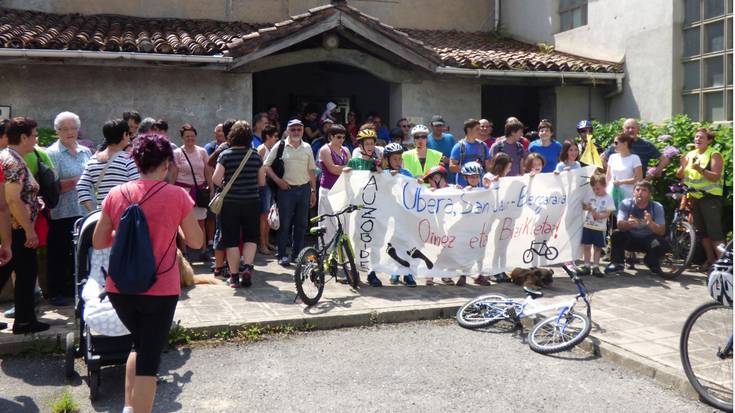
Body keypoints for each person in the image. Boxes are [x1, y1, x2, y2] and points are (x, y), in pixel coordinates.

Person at [92, 134, 202, 413]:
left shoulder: (117, 194)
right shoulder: (177, 195)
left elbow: (98, 241)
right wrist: (169, 226)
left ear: (136, 161)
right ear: (166, 163)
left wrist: (129, 234)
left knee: (138, 344)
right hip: (160, 289)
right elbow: (197, 241)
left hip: (120, 288)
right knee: (149, 363)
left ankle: (129, 407)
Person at [0, 117, 48, 334]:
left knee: (13, 271)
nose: (36, 139)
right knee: (27, 273)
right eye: (34, 134)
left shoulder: (9, 157)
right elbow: (12, 200)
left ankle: (25, 319)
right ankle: (25, 321)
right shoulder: (13, 162)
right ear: (23, 137)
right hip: (18, 229)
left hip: (13, 228)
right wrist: (29, 230)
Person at [45, 111, 92, 306]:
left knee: (80, 253)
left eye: (73, 128)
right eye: (65, 129)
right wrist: (78, 180)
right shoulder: (51, 153)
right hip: (62, 211)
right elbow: (52, 186)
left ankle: (78, 289)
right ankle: (57, 292)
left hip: (83, 210)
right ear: (57, 131)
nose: (70, 132)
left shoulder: (85, 151)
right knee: (60, 253)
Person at [212, 121, 263, 288]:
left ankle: (234, 278)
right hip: (252, 201)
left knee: (231, 240)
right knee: (251, 237)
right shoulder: (255, 155)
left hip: (230, 203)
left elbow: (216, 179)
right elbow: (261, 181)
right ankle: (247, 267)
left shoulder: (225, 155)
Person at [264, 119, 317, 267]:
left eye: (298, 129)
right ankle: (282, 254)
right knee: (285, 224)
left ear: (302, 130)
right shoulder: (280, 145)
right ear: (287, 131)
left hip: (304, 188)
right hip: (286, 190)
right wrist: (277, 180)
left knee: (301, 224)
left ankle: (297, 255)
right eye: (292, 129)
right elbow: (266, 165)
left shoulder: (307, 147)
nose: (296, 132)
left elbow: (311, 170)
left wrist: (313, 191)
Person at [676, 128, 725, 268]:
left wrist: (701, 170)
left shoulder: (714, 155)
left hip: (710, 198)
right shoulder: (690, 154)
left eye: (701, 137)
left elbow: (715, 177)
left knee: (715, 233)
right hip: (694, 197)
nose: (697, 139)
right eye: (696, 137)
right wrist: (682, 166)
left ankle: (723, 264)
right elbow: (680, 175)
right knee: (702, 232)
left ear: (709, 140)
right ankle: (711, 260)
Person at [343, 129, 383, 287]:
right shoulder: (353, 162)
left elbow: (383, 183)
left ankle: (371, 273)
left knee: (372, 240)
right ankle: (354, 271)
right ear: (360, 146)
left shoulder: (377, 163)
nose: (370, 146)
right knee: (355, 239)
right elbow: (347, 182)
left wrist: (381, 172)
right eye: (367, 143)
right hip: (356, 208)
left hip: (372, 207)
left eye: (372, 143)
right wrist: (346, 172)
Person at [605, 180, 668, 275]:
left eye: (644, 190)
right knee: (616, 234)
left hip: (648, 240)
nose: (640, 193)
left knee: (663, 244)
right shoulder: (626, 203)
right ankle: (617, 263)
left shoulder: (657, 207)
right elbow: (619, 224)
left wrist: (650, 223)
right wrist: (628, 224)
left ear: (650, 194)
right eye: (637, 190)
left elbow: (662, 231)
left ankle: (650, 261)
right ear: (633, 192)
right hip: (630, 239)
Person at [77, 119, 140, 213]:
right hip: (124, 215)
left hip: (101, 216)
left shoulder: (93, 160)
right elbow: (138, 188)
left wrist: (92, 212)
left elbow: (81, 186)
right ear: (124, 135)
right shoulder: (128, 160)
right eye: (128, 134)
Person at [173, 124, 212, 260]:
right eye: (187, 136)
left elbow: (207, 171)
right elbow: (173, 174)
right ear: (182, 138)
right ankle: (184, 252)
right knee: (182, 222)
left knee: (201, 221)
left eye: (192, 136)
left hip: (199, 191)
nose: (190, 138)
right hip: (182, 191)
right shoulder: (177, 153)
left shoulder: (202, 152)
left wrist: (211, 188)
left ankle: (203, 250)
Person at [382, 143, 417, 287]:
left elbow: (415, 190)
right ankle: (395, 271)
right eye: (395, 159)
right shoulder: (382, 174)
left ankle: (408, 273)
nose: (398, 162)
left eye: (399, 159)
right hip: (389, 215)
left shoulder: (406, 173)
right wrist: (388, 178)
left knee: (407, 243)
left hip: (405, 215)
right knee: (393, 244)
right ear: (387, 160)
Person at [455, 162, 491, 286]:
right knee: (466, 251)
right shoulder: (464, 191)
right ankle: (463, 274)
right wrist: (463, 192)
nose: (474, 179)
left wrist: (488, 188)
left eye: (476, 176)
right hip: (467, 227)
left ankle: (479, 275)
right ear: (465, 178)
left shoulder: (484, 191)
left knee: (480, 252)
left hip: (481, 226)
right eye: (471, 177)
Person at [317, 124, 350, 250]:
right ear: (331, 137)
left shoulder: (346, 150)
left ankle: (340, 253)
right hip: (328, 190)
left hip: (341, 191)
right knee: (327, 223)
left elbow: (347, 168)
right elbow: (332, 170)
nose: (341, 140)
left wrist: (343, 168)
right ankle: (325, 252)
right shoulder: (325, 149)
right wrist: (346, 168)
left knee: (342, 223)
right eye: (338, 137)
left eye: (343, 137)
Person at [602, 118, 669, 177]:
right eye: (627, 128)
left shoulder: (646, 145)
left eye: (633, 128)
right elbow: (602, 158)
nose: (630, 130)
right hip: (618, 185)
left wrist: (654, 173)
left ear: (638, 129)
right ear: (623, 129)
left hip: (638, 186)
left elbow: (664, 160)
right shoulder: (617, 144)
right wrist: (611, 172)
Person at [577, 174, 615, 277]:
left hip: (600, 227)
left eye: (598, 188)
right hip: (588, 225)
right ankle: (586, 265)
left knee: (597, 247)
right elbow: (584, 206)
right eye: (594, 189)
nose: (596, 191)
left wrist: (599, 216)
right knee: (587, 246)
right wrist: (587, 207)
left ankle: (596, 266)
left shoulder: (608, 198)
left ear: (604, 186)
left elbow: (608, 213)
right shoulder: (590, 195)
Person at [257, 125, 279, 255]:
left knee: (268, 216)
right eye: (274, 136)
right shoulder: (261, 149)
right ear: (267, 137)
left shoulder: (271, 149)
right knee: (263, 216)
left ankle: (266, 241)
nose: (276, 139)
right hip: (263, 185)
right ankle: (262, 244)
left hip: (269, 185)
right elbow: (257, 169)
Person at [449, 118, 491, 186]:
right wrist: (469, 168)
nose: (480, 131)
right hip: (463, 187)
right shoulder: (459, 146)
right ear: (469, 129)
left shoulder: (483, 146)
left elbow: (488, 167)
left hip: (480, 187)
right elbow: (451, 167)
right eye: (477, 129)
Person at [605, 133, 642, 208]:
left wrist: (621, 182)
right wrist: (605, 191)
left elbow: (639, 178)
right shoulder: (612, 157)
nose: (614, 145)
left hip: (628, 196)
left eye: (616, 143)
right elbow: (608, 176)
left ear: (625, 143)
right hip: (611, 194)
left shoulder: (635, 158)